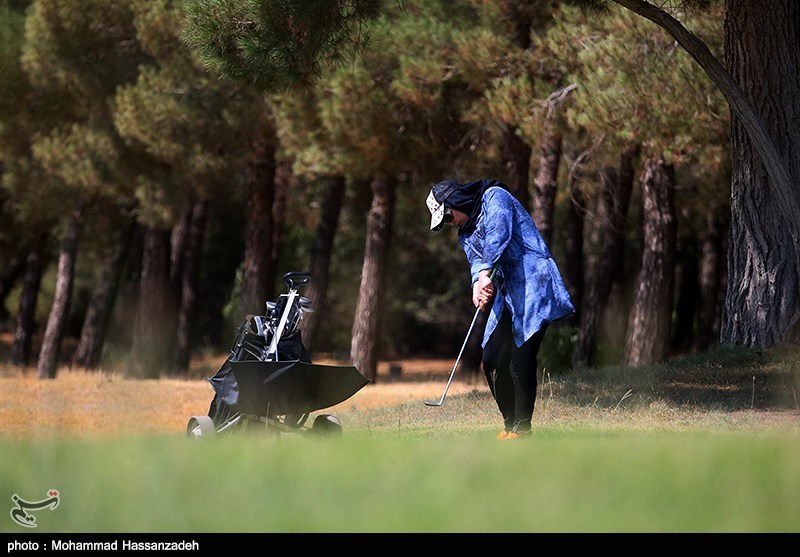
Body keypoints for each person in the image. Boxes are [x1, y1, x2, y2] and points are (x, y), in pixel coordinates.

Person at [426, 178, 575, 439]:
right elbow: (475, 262)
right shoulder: (465, 232)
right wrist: (477, 285)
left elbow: (499, 234)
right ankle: (509, 427)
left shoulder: (495, 197)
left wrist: (485, 275)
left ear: (455, 202)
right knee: (492, 360)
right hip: (507, 295)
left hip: (533, 285)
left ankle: (522, 430)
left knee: (520, 360)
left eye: (447, 217)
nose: (451, 223)